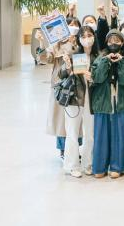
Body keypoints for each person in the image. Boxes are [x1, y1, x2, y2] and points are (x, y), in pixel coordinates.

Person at [90, 30, 124, 178]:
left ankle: (118, 166)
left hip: (120, 102)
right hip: (102, 102)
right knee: (101, 135)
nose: (113, 44)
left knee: (120, 134)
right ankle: (99, 167)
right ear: (106, 42)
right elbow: (97, 78)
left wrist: (121, 62)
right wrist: (105, 61)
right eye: (111, 41)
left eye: (117, 41)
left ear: (122, 43)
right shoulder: (100, 58)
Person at [58, 25, 97, 177]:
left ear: (94, 36)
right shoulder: (74, 54)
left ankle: (88, 163)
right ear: (79, 39)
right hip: (75, 98)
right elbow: (61, 74)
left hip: (92, 100)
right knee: (72, 133)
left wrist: (92, 78)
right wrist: (68, 67)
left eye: (89, 35)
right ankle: (72, 165)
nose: (87, 39)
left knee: (90, 134)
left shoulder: (98, 56)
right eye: (83, 36)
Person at [46, 18, 80, 159]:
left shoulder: (81, 41)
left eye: (76, 25)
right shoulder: (56, 44)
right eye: (70, 24)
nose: (73, 27)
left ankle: (75, 148)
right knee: (61, 119)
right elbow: (47, 58)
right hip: (61, 84)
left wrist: (73, 44)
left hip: (78, 82)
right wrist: (42, 42)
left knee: (76, 117)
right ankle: (63, 149)